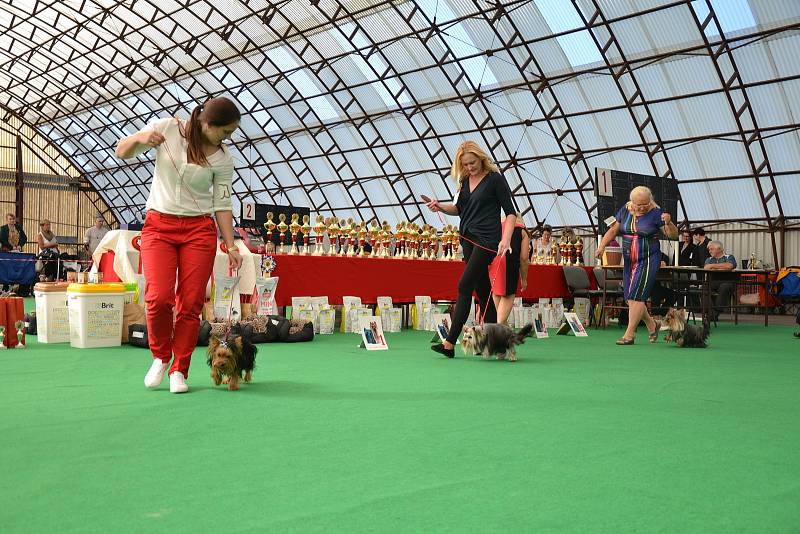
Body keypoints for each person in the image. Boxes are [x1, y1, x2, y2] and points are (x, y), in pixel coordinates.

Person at [115, 96, 243, 394]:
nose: (229, 138)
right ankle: (160, 356)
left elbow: (222, 204)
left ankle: (179, 370)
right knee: (158, 298)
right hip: (159, 225)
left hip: (199, 230)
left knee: (191, 304)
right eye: (225, 132)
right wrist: (140, 137)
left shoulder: (223, 158)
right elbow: (122, 152)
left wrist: (232, 245)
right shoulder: (167, 129)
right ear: (207, 123)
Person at [425, 140, 517, 358]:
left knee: (464, 286)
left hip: (487, 240)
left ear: (481, 158)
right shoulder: (465, 181)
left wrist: (506, 240)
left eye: (472, 163)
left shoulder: (495, 180)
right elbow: (458, 208)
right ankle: (498, 344)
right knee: (483, 292)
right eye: (465, 164)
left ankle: (449, 344)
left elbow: (511, 212)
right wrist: (438, 206)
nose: (469, 167)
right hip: (467, 239)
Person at [595, 186, 678, 345]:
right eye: (638, 205)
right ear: (632, 201)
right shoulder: (625, 210)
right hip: (629, 260)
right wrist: (601, 246)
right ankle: (652, 324)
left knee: (637, 296)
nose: (641, 208)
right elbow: (613, 231)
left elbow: (673, 235)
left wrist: (669, 222)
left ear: (650, 201)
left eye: (645, 204)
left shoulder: (655, 214)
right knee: (629, 298)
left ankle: (629, 334)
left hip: (648, 258)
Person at [491, 213, 530, 325]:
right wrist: (524, 279)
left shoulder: (496, 227)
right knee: (500, 318)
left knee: (497, 301)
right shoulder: (523, 231)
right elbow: (524, 258)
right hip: (510, 265)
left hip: (493, 264)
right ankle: (500, 335)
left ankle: (503, 338)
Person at [704, 240, 737, 321]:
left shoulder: (729, 257)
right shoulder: (709, 259)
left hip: (728, 281)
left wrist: (713, 266)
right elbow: (706, 267)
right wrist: (721, 266)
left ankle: (716, 312)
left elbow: (729, 266)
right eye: (709, 249)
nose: (709, 251)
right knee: (704, 287)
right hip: (713, 282)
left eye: (711, 249)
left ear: (719, 249)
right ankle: (710, 312)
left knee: (724, 287)